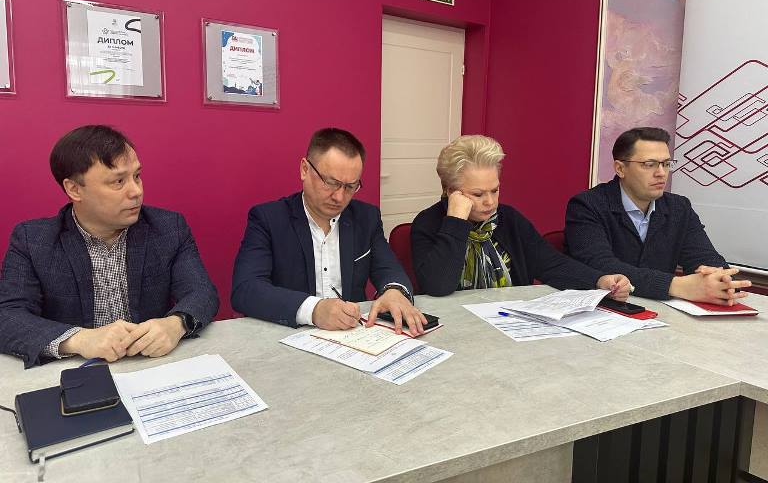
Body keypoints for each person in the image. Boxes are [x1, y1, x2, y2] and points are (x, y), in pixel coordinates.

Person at [0, 125, 219, 368]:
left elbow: (202, 292)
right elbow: (7, 315)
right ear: (74, 189)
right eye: (118, 181)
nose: (136, 191)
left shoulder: (168, 228)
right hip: (76, 371)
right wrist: (79, 339)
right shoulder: (33, 240)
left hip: (151, 366)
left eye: (137, 176)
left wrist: (175, 324)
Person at [232, 128, 427, 334]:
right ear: (305, 169)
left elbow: (389, 269)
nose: (339, 197)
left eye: (350, 187)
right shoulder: (269, 219)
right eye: (331, 183)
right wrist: (314, 310)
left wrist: (395, 291)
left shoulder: (366, 217)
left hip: (352, 336)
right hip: (290, 335)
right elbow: (246, 289)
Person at [411, 135, 632, 297]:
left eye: (495, 190)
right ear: (451, 191)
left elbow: (551, 264)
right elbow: (438, 286)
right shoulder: (428, 223)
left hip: (508, 321)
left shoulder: (509, 219)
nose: (490, 202)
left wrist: (598, 280)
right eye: (478, 194)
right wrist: (456, 222)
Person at [564, 127, 751, 305]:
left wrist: (722, 280)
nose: (661, 173)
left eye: (666, 164)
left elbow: (704, 257)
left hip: (660, 311)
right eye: (649, 164)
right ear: (620, 169)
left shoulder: (679, 207)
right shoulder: (587, 205)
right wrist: (676, 286)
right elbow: (600, 265)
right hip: (602, 311)